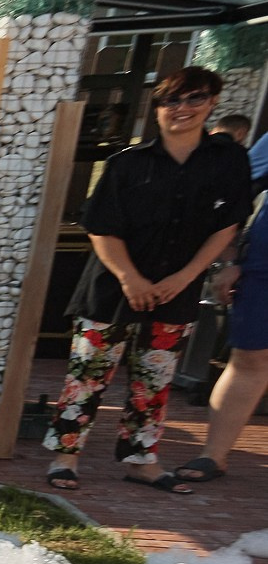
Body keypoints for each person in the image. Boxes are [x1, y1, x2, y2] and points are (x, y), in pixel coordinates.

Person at [45, 67, 253, 492]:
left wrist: (186, 276)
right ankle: (66, 458)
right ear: (156, 107)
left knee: (154, 383)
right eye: (171, 101)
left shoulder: (227, 160)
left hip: (177, 291)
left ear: (212, 102)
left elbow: (227, 224)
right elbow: (101, 227)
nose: (183, 109)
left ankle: (142, 461)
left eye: (194, 99)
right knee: (87, 376)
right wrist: (129, 278)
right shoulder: (127, 163)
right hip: (111, 291)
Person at [176, 128, 268, 484]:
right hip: (261, 267)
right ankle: (213, 455)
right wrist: (229, 258)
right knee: (249, 359)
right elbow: (238, 195)